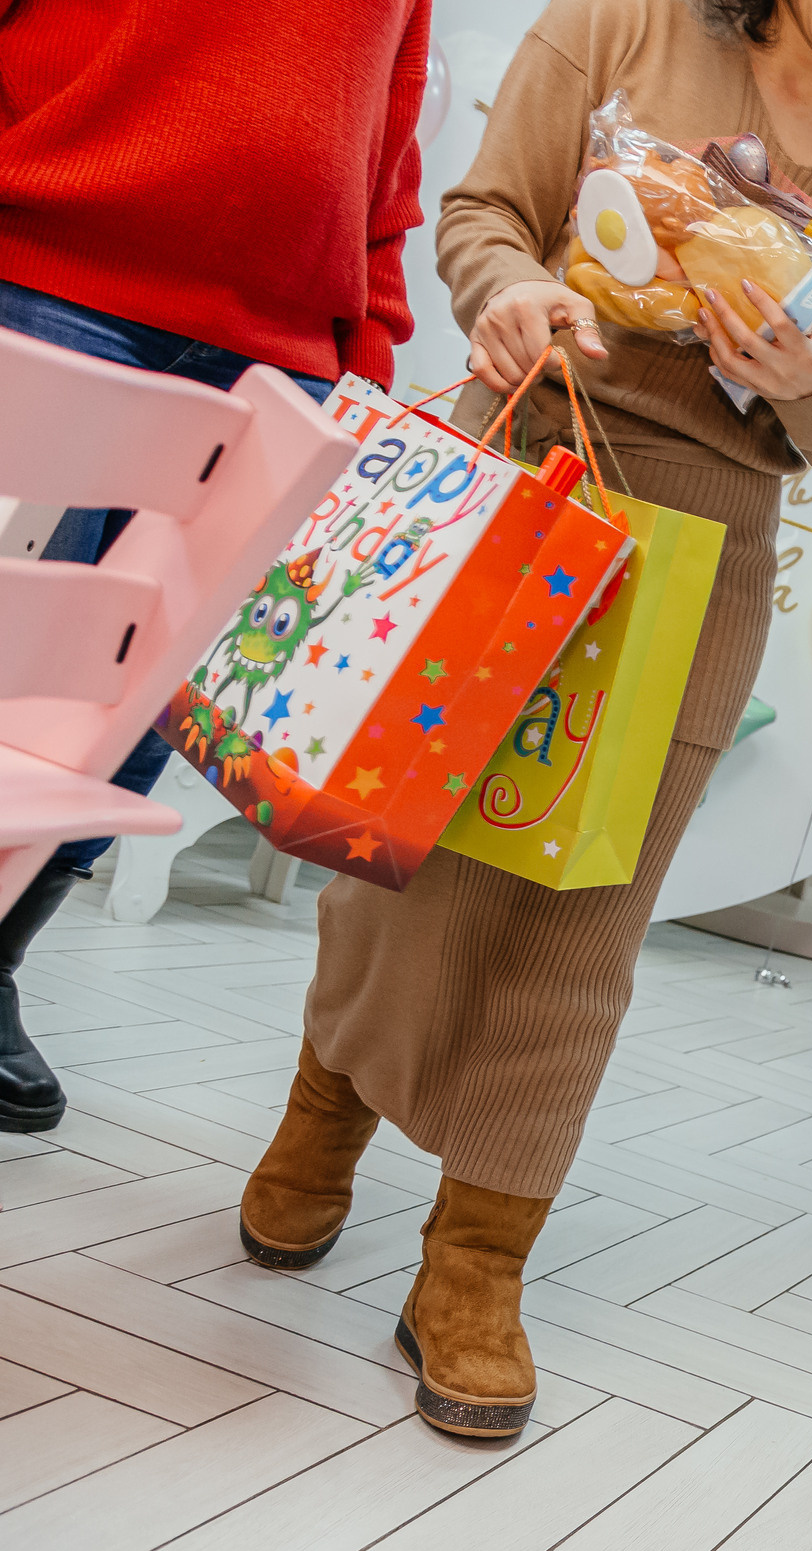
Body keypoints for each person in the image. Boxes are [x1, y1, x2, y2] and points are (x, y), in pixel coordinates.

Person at [231, 0, 812, 1440]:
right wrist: (510, 289)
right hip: (530, 478)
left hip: (708, 551)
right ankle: (322, 1117)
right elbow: (483, 217)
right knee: (409, 848)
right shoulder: (621, 21)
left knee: (585, 918)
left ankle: (478, 1258)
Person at [0, 0, 431, 1134]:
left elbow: (391, 107)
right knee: (20, 642)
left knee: (144, 689)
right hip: (53, 262)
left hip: (282, 340)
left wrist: (371, 332)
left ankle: (1, 946)